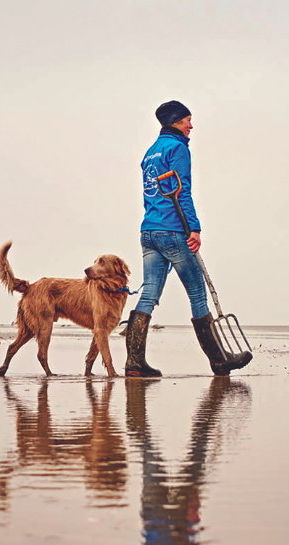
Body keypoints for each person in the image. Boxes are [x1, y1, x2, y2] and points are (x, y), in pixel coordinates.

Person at [124, 100, 252, 377]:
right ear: (174, 122)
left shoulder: (150, 153)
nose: (191, 125)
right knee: (197, 293)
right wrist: (194, 228)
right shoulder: (177, 148)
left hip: (149, 231)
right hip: (173, 230)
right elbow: (182, 191)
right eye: (187, 120)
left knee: (148, 294)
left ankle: (134, 362)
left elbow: (152, 195)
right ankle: (219, 360)